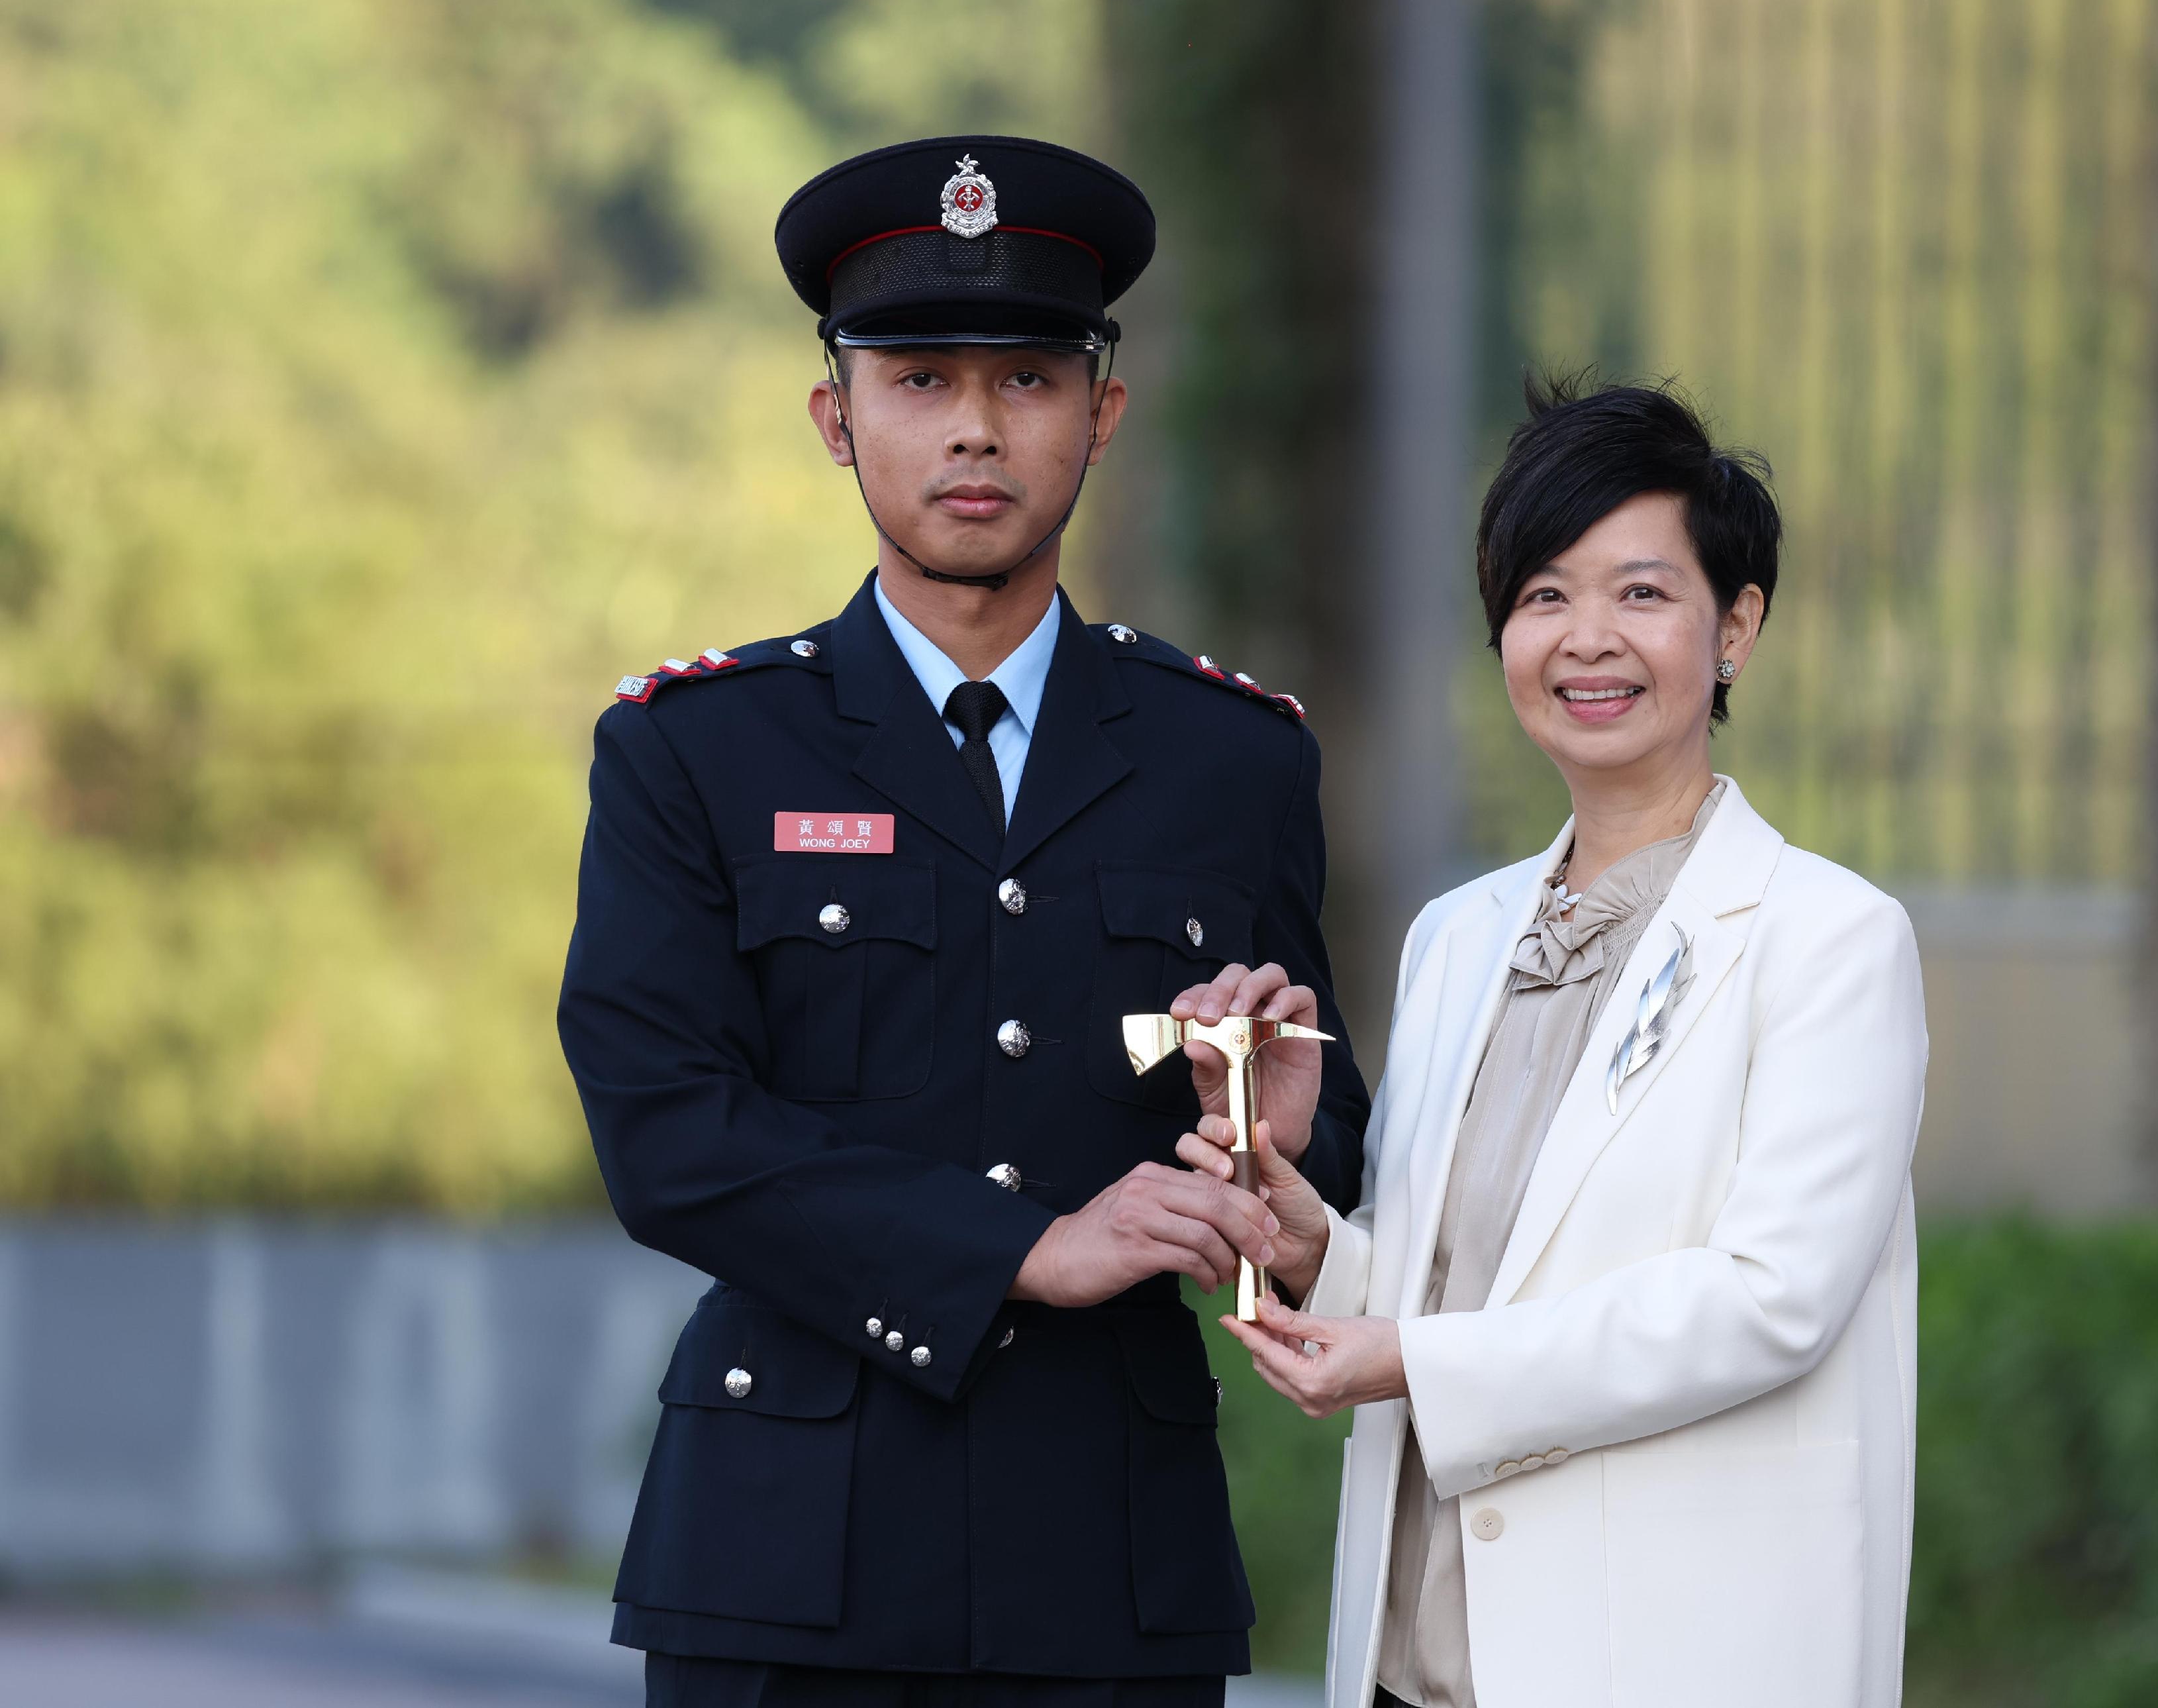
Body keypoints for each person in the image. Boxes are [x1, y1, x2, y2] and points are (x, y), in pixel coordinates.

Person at [557, 134, 1372, 1708]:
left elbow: (1313, 1144)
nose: (977, 429)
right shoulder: (695, 751)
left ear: (1101, 412)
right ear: (834, 418)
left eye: (1027, 379)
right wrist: (1024, 1247)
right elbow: (668, 1130)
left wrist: (1274, 1144)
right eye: (920, 379)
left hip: (1110, 1574)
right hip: (781, 1575)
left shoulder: (1233, 758)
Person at [1170, 381, 1928, 1708]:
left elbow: (1767, 1301)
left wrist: (1406, 1356)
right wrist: (1310, 1246)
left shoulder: (1825, 938)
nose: (1586, 639)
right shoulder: (1459, 935)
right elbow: (1456, 1288)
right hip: (1414, 1666)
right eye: (1541, 596)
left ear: (1734, 625)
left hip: (1667, 1662)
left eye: (1640, 593)